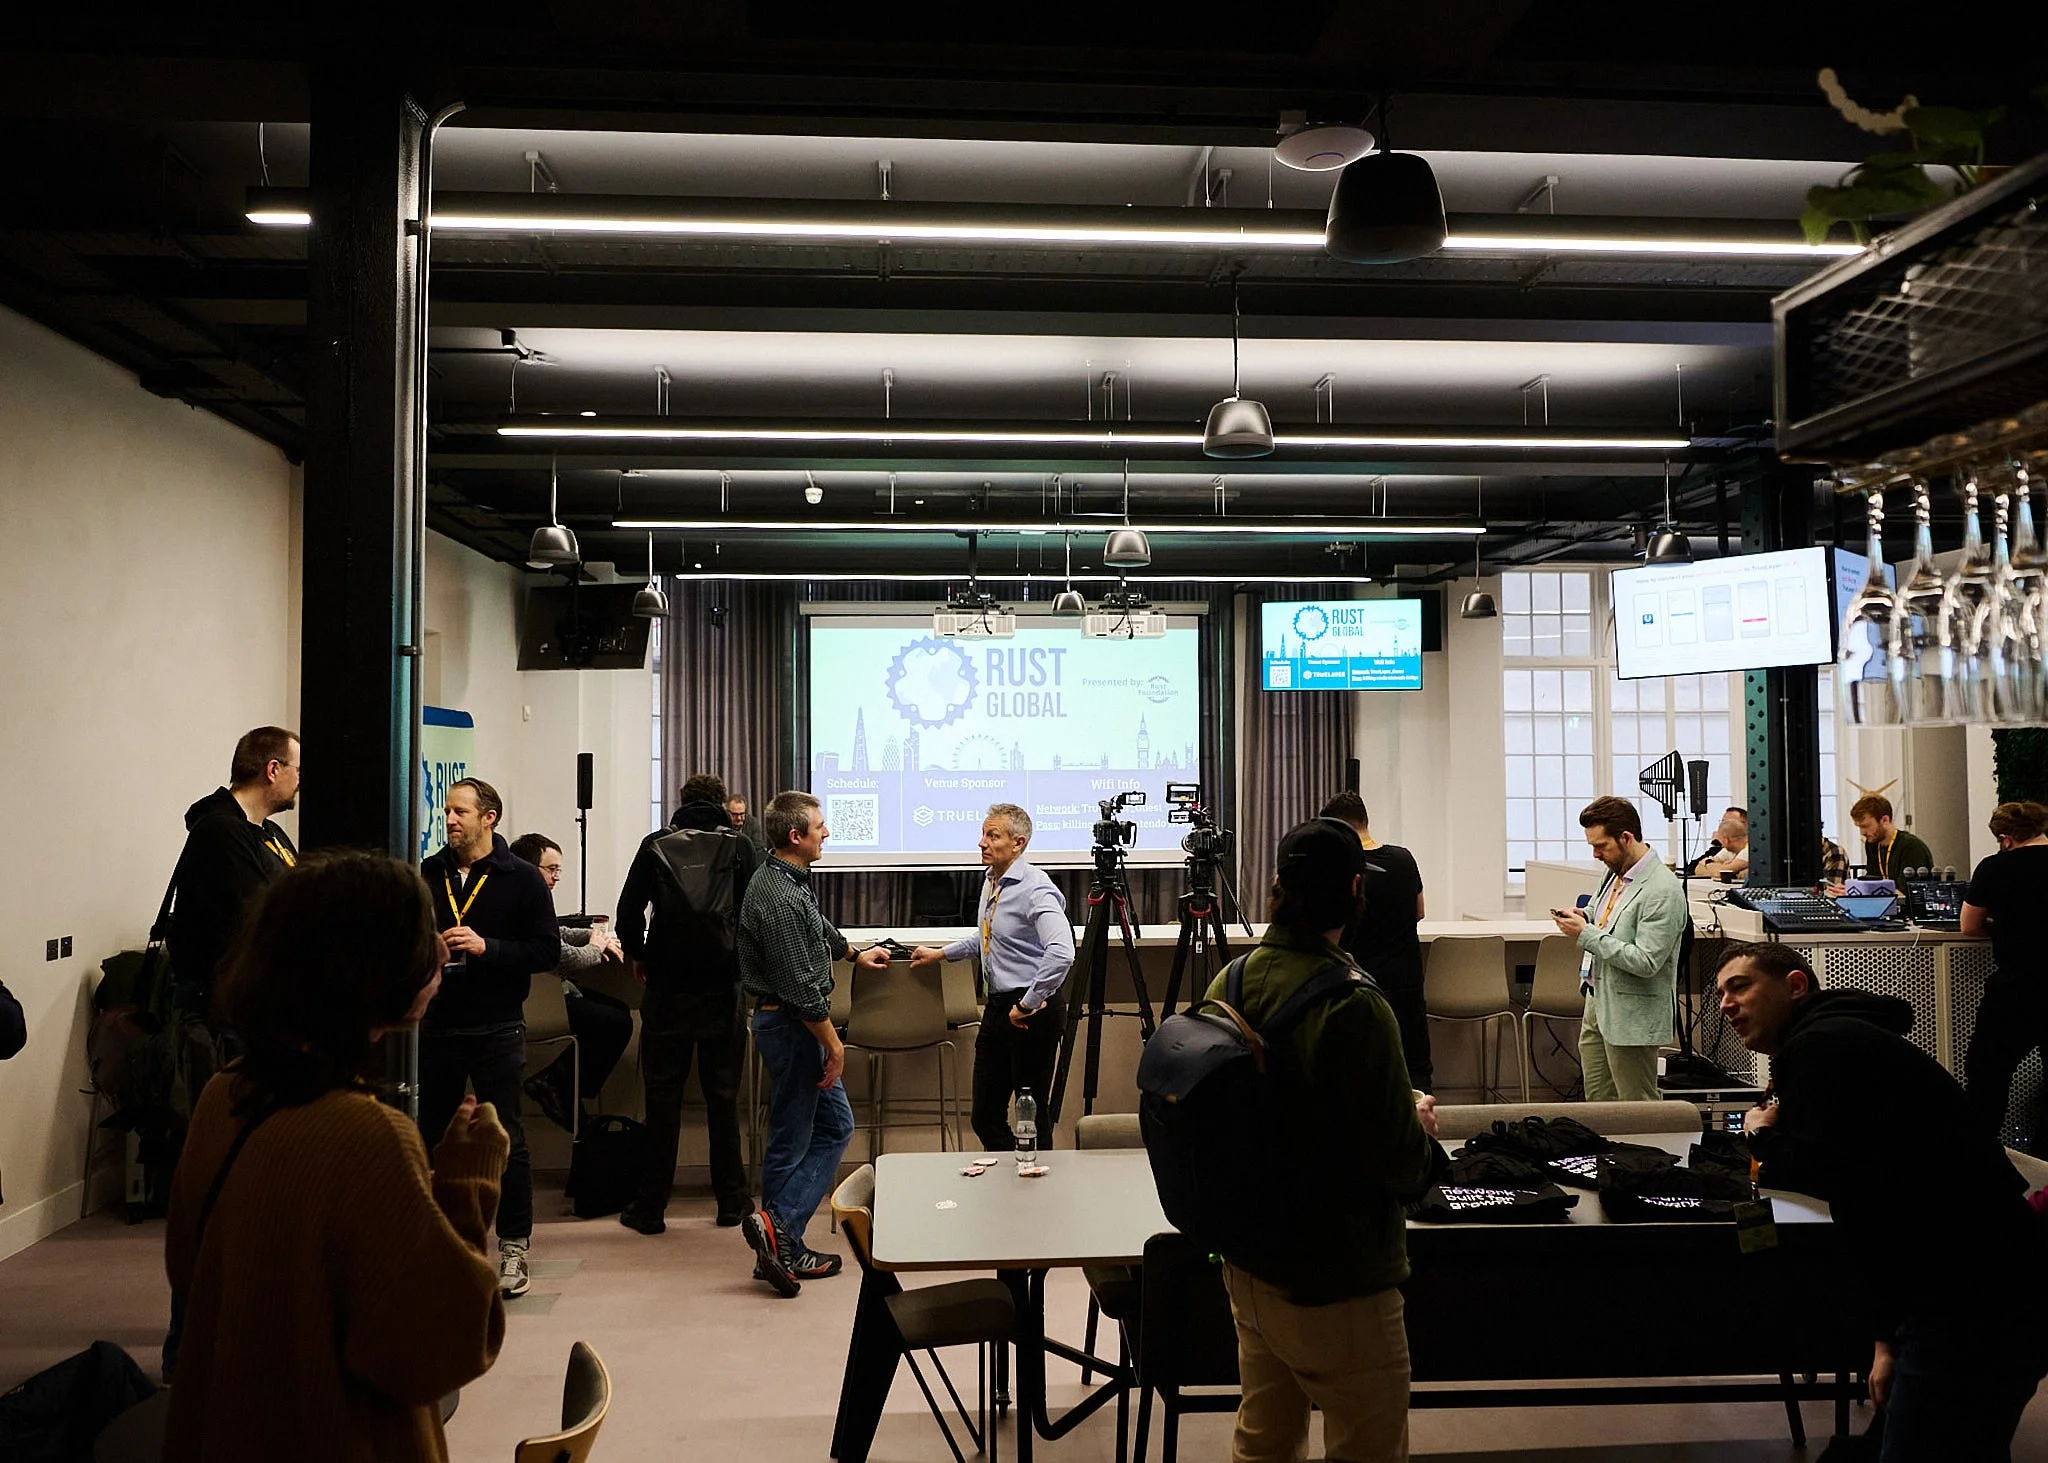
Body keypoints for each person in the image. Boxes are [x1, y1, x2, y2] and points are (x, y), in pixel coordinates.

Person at [162, 851, 506, 1463]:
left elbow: (195, 1273)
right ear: (367, 968)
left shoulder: (224, 1094)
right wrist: (468, 1187)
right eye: (420, 936)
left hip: (225, 1427)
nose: (438, 952)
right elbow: (440, 1350)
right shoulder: (369, 1134)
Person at [1717, 941, 2048, 1460]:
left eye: (1740, 987)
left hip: (1968, 1297)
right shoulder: (1843, 1037)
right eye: (1720, 993)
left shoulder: (1819, 1047)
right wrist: (1887, 1337)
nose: (1725, 1005)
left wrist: (1761, 1136)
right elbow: (1874, 1186)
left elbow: (1838, 1177)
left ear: (1795, 985)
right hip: (1982, 1286)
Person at [1207, 817, 1443, 1463]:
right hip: (1338, 1274)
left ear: (1277, 885)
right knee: (1368, 1446)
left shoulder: (1231, 981)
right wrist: (1418, 1129)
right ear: (1356, 889)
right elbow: (1402, 1165)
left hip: (1251, 1262)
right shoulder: (1355, 1004)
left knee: (1265, 1441)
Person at [736, 790, 891, 1297]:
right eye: (819, 827)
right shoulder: (779, 897)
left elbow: (814, 925)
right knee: (801, 1134)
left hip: (790, 1025)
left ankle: (777, 1239)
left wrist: (852, 952)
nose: (826, 833)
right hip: (793, 1028)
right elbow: (800, 987)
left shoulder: (785, 878)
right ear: (795, 835)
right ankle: (781, 1231)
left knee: (823, 1128)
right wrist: (833, 1045)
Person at [418, 778, 560, 1300]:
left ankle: (514, 1246)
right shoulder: (428, 873)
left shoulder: (521, 878)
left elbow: (546, 951)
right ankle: (436, 1243)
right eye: (447, 811)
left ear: (489, 818)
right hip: (438, 1024)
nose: (450, 820)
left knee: (508, 1139)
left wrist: (488, 947)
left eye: (460, 812)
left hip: (497, 1025)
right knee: (432, 1137)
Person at [613, 772, 760, 1234]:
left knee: (662, 1099)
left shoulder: (656, 844)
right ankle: (731, 1201)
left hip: (667, 987)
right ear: (721, 804)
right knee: (723, 1098)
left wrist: (640, 953)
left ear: (681, 802)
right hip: (722, 987)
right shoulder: (740, 846)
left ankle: (651, 1207)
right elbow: (754, 913)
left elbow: (627, 912)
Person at [911, 803, 1075, 1150]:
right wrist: (941, 954)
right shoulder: (992, 881)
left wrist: (1028, 1003)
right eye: (983, 834)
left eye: (992, 836)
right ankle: (1011, 1175)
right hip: (999, 1006)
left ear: (1018, 843)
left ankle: (1035, 1179)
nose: (982, 842)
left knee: (1031, 1114)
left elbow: (1062, 952)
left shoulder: (1036, 889)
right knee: (984, 1117)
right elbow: (988, 937)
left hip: (1031, 1010)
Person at [1550, 795, 1686, 1102]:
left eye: (1601, 846)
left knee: (1638, 1106)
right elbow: (1605, 913)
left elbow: (1646, 961)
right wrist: (1585, 916)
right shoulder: (1614, 871)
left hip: (1632, 1013)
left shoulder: (1662, 890)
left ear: (1626, 838)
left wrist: (1585, 934)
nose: (1596, 854)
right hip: (1598, 1000)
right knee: (1599, 1104)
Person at [167, 727, 301, 1027]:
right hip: (224, 1007)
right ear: (273, 770)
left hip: (256, 997)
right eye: (298, 770)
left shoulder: (270, 832)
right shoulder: (220, 832)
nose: (299, 781)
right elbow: (256, 915)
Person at [505, 832, 634, 1132]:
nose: (557, 877)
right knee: (615, 1023)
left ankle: (562, 1087)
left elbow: (556, 932)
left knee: (618, 1012)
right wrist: (596, 948)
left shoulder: (527, 896)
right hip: (536, 1001)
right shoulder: (519, 903)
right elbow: (562, 956)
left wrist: (594, 935)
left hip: (548, 993)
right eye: (551, 869)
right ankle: (556, 1084)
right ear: (529, 868)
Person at [1316, 791, 1430, 1092]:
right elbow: (1419, 912)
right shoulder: (1404, 858)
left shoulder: (1341, 871)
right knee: (1414, 1068)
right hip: (1406, 982)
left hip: (1358, 984)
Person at [1960, 800, 2048, 1154]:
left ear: (2006, 838)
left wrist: (2001, 929)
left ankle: (1981, 1154)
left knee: (1987, 1069)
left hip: (2018, 986)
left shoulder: (1996, 867)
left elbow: (1969, 926)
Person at [1852, 794, 1934, 882]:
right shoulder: (1872, 844)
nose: (1862, 833)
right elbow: (1871, 881)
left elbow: (1908, 888)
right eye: (1859, 827)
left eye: (1866, 826)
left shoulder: (1911, 847)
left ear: (1885, 820)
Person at [1689, 807, 1750, 880]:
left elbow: (1719, 873)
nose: (1725, 825)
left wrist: (1709, 865)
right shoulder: (1728, 850)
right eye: (1723, 822)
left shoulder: (1748, 850)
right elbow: (1697, 869)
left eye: (1730, 822)